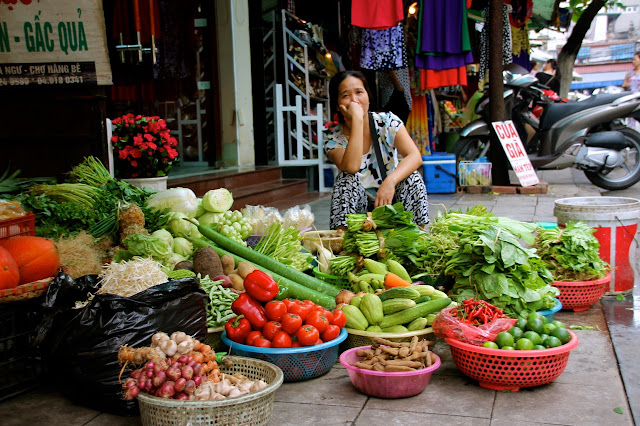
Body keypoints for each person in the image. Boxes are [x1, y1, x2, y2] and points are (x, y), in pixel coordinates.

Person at [324, 70, 429, 230]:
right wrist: (358, 121)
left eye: (359, 92)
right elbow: (351, 167)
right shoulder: (333, 137)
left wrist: (390, 181)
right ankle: (342, 242)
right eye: (346, 95)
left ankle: (416, 236)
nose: (354, 100)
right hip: (357, 215)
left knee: (412, 178)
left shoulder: (387, 121)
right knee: (346, 180)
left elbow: (414, 156)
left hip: (391, 202)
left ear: (368, 95)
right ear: (338, 104)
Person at [622, 51, 640, 131]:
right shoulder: (630, 73)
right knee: (631, 122)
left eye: (635, 60)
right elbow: (624, 85)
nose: (633, 62)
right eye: (632, 60)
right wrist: (628, 84)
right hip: (632, 100)